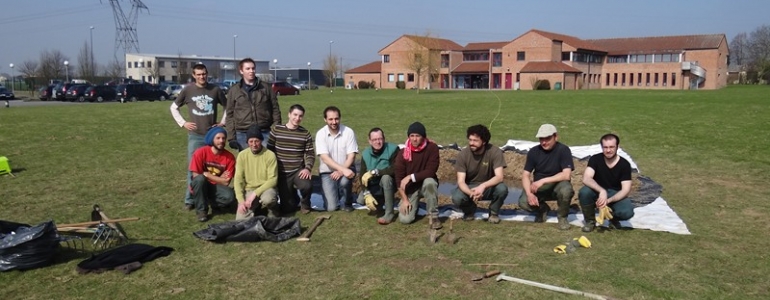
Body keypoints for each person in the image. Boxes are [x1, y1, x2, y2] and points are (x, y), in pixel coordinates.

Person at [170, 63, 228, 211]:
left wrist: (222, 122)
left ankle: (212, 197)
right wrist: (183, 123)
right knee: (193, 168)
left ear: (207, 74)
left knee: (213, 169)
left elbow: (228, 107)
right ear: (194, 75)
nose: (202, 76)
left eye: (204, 74)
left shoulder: (215, 90)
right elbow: (174, 107)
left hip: (212, 137)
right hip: (195, 137)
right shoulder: (188, 90)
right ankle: (190, 200)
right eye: (199, 74)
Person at [517, 124, 575, 230]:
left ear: (556, 137)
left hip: (557, 186)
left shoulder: (563, 150)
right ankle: (542, 209)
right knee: (523, 202)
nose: (544, 142)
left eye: (547, 139)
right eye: (541, 139)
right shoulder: (534, 152)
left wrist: (543, 181)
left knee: (566, 190)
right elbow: (525, 175)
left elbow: (566, 175)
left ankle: (562, 217)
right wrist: (529, 194)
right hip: (539, 188)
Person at [451, 124, 508, 224]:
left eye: (475, 140)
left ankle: (493, 213)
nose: (471, 143)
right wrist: (471, 193)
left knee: (502, 189)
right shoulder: (463, 155)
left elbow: (499, 177)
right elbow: (460, 181)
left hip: (489, 186)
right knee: (457, 197)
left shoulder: (495, 152)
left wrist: (483, 186)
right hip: (470, 186)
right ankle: (469, 210)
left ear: (484, 141)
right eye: (470, 140)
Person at [578, 133, 634, 232]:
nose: (608, 150)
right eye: (605, 147)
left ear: (618, 147)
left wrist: (609, 200)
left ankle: (613, 219)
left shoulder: (624, 165)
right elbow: (586, 178)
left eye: (611, 147)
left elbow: (626, 189)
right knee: (584, 192)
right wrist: (601, 191)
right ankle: (590, 221)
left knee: (627, 212)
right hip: (597, 191)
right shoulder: (595, 159)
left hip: (615, 193)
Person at [267, 104, 315, 214]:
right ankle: (292, 196)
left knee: (307, 186)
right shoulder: (277, 130)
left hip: (297, 171)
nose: (297, 118)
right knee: (288, 208)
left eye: (300, 116)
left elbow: (310, 154)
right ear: (289, 114)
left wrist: (307, 168)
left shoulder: (305, 133)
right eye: (295, 115)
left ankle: (305, 204)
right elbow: (269, 151)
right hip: (281, 172)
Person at [225, 58, 282, 151]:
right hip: (243, 133)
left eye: (253, 68)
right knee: (247, 163)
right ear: (241, 71)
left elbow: (275, 110)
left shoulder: (266, 88)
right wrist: (231, 137)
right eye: (247, 69)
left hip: (264, 132)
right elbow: (230, 114)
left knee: (265, 162)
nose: (251, 71)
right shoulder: (234, 90)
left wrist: (276, 131)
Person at [394, 122, 442, 229]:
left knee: (430, 182)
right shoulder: (402, 153)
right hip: (411, 189)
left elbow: (431, 171)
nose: (414, 139)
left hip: (426, 184)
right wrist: (405, 199)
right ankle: (412, 206)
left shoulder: (432, 148)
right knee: (405, 220)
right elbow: (398, 180)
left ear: (423, 137)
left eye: (418, 136)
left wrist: (410, 177)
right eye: (412, 136)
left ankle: (433, 216)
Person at [315, 106, 358, 212]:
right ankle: (334, 192)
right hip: (327, 172)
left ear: (340, 118)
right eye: (330, 119)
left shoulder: (348, 132)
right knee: (331, 208)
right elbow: (325, 158)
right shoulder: (320, 134)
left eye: (336, 118)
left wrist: (341, 171)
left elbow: (351, 156)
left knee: (344, 182)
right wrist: (341, 170)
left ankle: (348, 202)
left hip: (346, 168)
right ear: (325, 119)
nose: (334, 122)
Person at [189, 127, 236, 222]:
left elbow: (226, 182)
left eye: (223, 138)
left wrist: (207, 175)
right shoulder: (200, 152)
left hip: (216, 187)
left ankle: (211, 203)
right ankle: (202, 211)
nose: (221, 141)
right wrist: (219, 179)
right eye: (218, 138)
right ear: (212, 139)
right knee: (200, 180)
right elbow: (196, 176)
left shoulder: (230, 157)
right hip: (201, 185)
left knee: (230, 197)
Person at [233, 125, 279, 220]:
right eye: (251, 141)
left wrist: (255, 194)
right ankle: (257, 209)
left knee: (268, 199)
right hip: (249, 189)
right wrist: (241, 201)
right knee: (240, 220)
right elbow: (238, 180)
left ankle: (272, 209)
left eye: (256, 141)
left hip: (266, 188)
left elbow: (273, 180)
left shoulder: (270, 155)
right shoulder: (242, 156)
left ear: (261, 141)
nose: (254, 144)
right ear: (247, 142)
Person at [357, 128, 399, 225]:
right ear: (369, 141)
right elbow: (361, 176)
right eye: (374, 140)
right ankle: (380, 201)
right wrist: (366, 193)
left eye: (380, 139)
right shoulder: (365, 154)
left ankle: (389, 213)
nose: (378, 142)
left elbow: (395, 168)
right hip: (374, 185)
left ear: (384, 139)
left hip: (390, 184)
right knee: (361, 200)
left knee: (386, 178)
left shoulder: (393, 149)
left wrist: (375, 172)